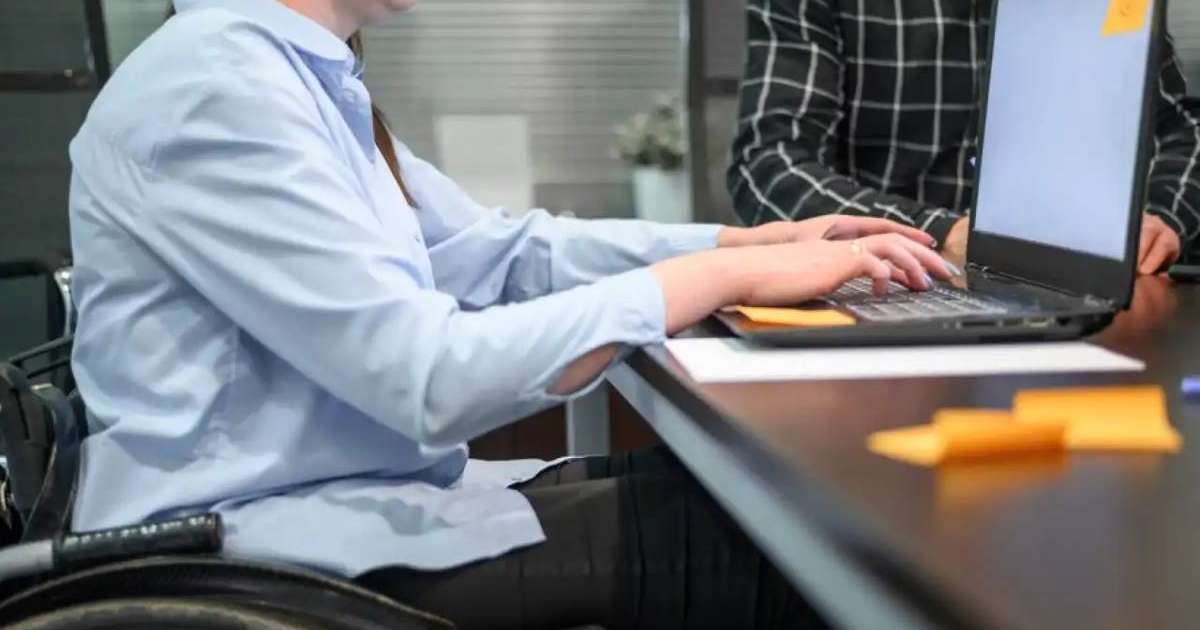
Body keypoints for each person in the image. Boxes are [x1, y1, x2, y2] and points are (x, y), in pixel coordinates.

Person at [67, 0, 952, 628]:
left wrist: (746, 246)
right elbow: (432, 380)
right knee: (786, 550)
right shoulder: (218, 88)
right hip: (262, 559)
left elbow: (503, 252)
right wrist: (709, 283)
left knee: (746, 500)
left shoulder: (292, 76)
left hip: (343, 504)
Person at [729, 0, 1200, 275]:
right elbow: (769, 165)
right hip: (887, 289)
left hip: (1076, 289)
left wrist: (1163, 217)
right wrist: (941, 233)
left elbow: (1181, 132)